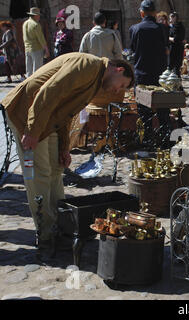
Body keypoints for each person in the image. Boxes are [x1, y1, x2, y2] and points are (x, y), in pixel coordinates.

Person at [0, 52, 134, 248]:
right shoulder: (88, 65)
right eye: (121, 84)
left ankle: (61, 226)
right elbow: (49, 92)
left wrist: (64, 147)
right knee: (39, 174)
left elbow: (65, 112)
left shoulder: (95, 81)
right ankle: (46, 234)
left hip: (47, 118)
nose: (117, 90)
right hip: (26, 112)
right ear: (118, 69)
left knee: (56, 170)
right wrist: (32, 131)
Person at [129, 0, 170, 143]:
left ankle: (147, 139)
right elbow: (166, 48)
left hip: (142, 74)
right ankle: (164, 139)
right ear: (154, 13)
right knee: (163, 111)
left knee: (144, 112)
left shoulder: (134, 29)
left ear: (141, 13)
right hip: (160, 75)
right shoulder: (163, 28)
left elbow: (133, 50)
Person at [22, 7, 50, 78]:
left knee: (29, 71)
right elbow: (41, 38)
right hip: (36, 49)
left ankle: (28, 86)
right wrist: (46, 50)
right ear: (36, 15)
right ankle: (35, 87)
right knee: (37, 71)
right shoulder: (36, 24)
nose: (39, 17)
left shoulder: (25, 23)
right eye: (39, 15)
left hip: (27, 49)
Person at [168, 12, 185, 76]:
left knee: (175, 68)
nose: (170, 20)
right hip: (176, 49)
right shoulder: (175, 26)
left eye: (170, 18)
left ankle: (176, 84)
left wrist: (168, 38)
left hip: (176, 50)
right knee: (176, 69)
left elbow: (176, 39)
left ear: (174, 18)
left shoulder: (178, 27)